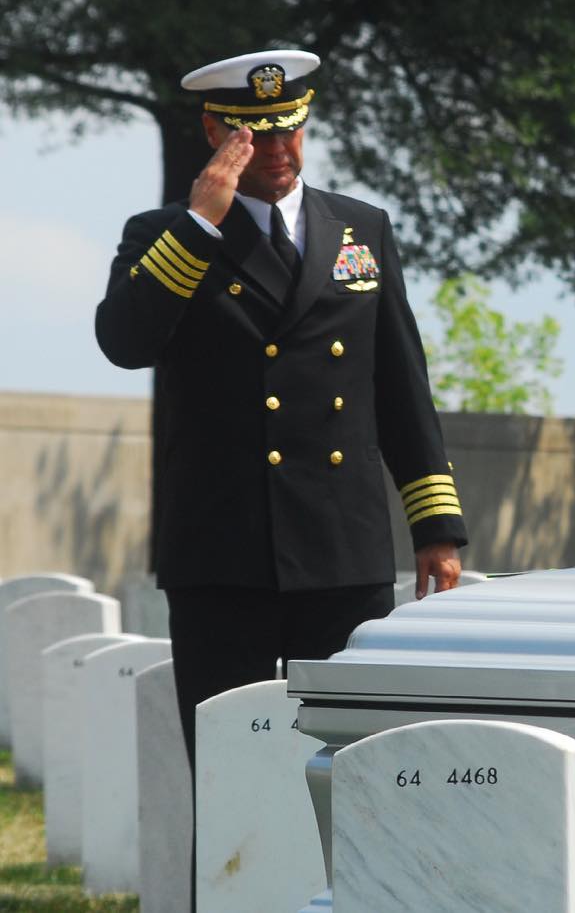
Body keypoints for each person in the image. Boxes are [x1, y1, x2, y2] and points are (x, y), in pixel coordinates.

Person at [95, 49, 468, 765]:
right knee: (227, 768)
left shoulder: (362, 229)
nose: (277, 150)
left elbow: (400, 385)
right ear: (215, 132)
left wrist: (436, 526)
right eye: (255, 134)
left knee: (350, 765)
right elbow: (124, 339)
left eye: (289, 129)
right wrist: (200, 225)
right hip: (220, 550)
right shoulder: (164, 235)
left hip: (341, 548)